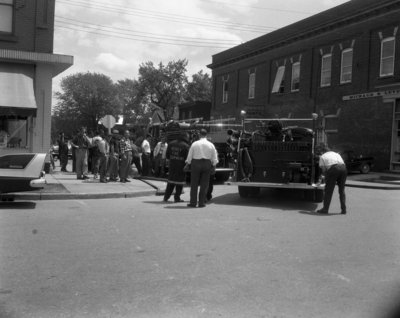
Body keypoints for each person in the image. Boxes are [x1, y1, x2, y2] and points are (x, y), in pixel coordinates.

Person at [185, 129, 218, 208]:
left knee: (194, 184)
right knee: (204, 184)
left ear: (199, 135)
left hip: (196, 163)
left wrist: (187, 164)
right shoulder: (211, 145)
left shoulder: (195, 144)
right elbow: (214, 157)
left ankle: (193, 203)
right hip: (207, 164)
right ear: (206, 135)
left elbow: (190, 155)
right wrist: (214, 166)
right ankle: (201, 203)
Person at [316, 143, 347, 214]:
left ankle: (325, 209)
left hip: (333, 169)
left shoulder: (322, 157)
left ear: (321, 151)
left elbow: (324, 171)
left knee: (328, 190)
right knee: (342, 190)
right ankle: (343, 209)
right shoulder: (336, 154)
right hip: (343, 168)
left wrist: (321, 180)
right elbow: (342, 163)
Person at [163, 133, 189, 203]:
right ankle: (177, 198)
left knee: (170, 182)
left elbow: (167, 155)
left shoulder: (171, 144)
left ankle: (166, 197)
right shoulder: (186, 146)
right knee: (179, 183)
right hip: (181, 166)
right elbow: (187, 158)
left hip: (172, 165)